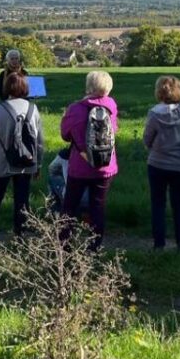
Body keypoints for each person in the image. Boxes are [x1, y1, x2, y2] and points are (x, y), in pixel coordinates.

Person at [0, 73, 44, 239]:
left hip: (2, 162)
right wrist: (38, 164)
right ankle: (20, 234)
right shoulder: (33, 108)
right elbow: (39, 139)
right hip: (27, 162)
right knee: (22, 200)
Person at [59, 71, 118, 250]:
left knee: (69, 206)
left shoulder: (75, 108)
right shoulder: (111, 106)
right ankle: (94, 246)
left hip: (80, 166)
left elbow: (65, 136)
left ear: (88, 86)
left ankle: (65, 245)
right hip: (105, 166)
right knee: (97, 206)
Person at [144, 75, 180, 251]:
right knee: (179, 204)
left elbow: (147, 138)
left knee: (158, 204)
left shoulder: (154, 113)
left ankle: (159, 244)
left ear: (159, 92)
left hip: (157, 163)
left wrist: (151, 147)